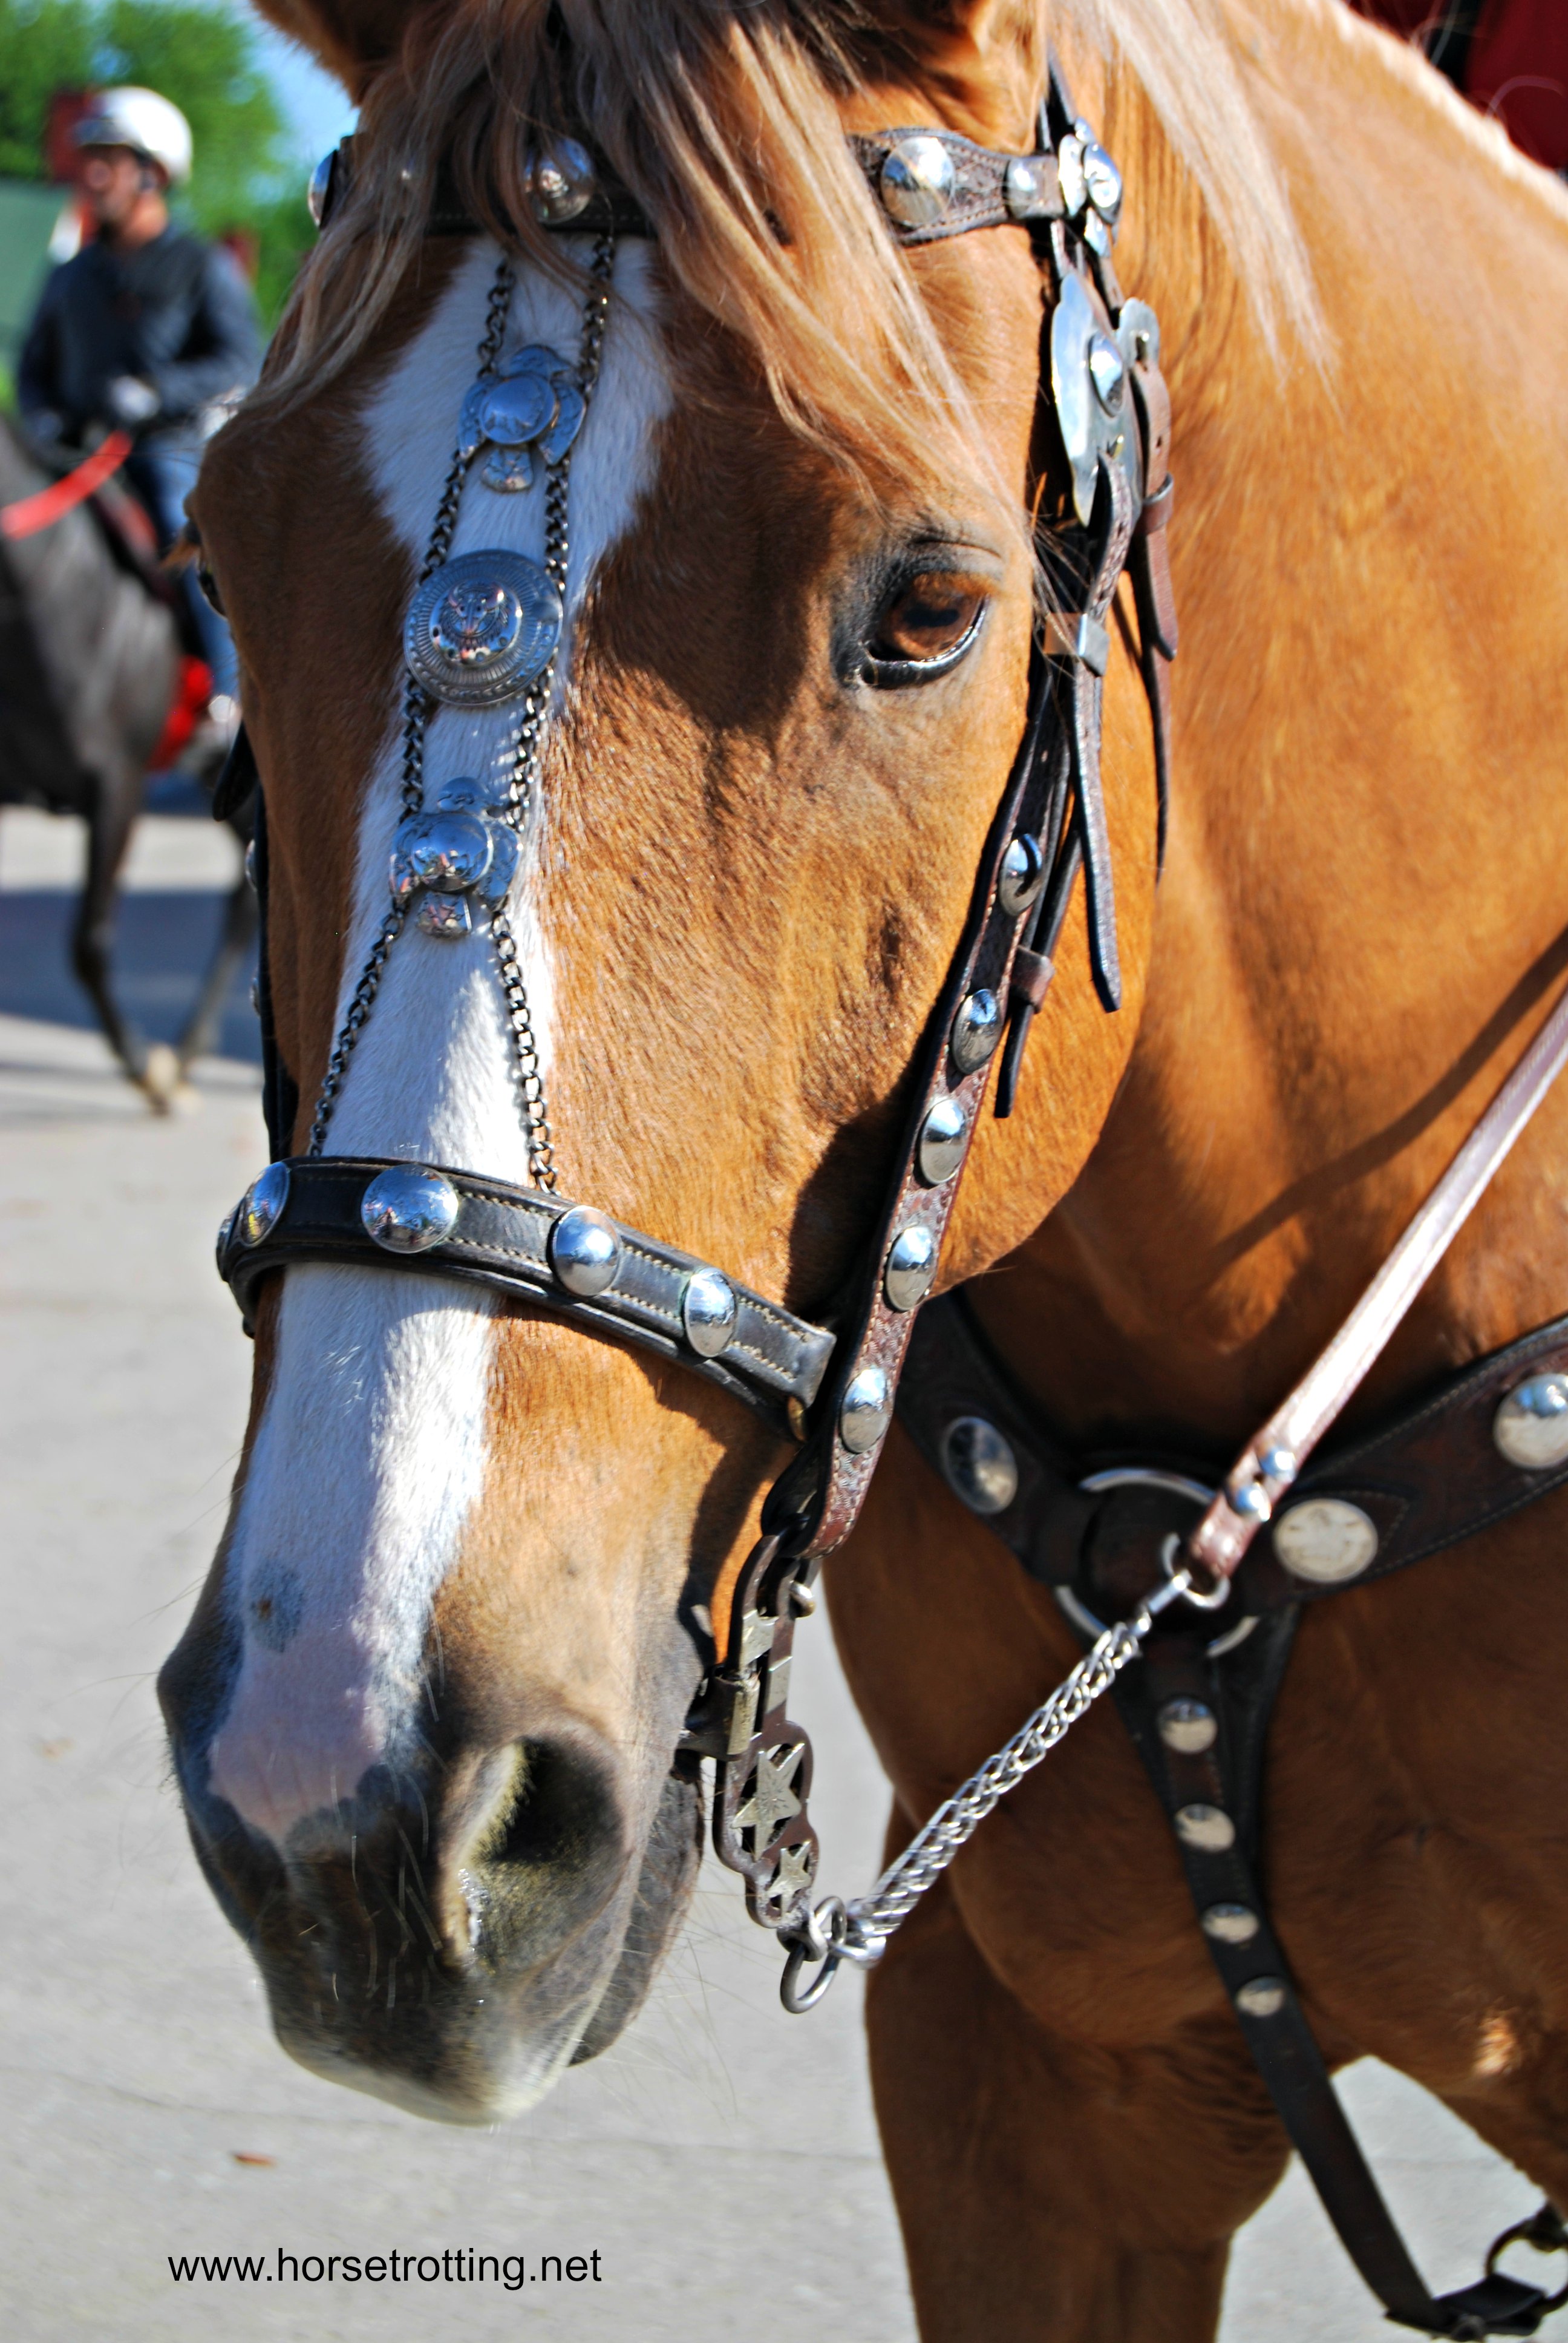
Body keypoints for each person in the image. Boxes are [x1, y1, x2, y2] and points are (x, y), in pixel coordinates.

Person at [18, 87, 260, 713]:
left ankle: (228, 708)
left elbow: (237, 358)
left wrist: (154, 393)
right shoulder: (72, 273)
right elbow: (32, 363)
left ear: (151, 172)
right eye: (89, 158)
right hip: (71, 450)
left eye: (110, 160)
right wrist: (42, 415)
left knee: (189, 542)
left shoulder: (200, 265)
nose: (91, 174)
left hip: (164, 447)